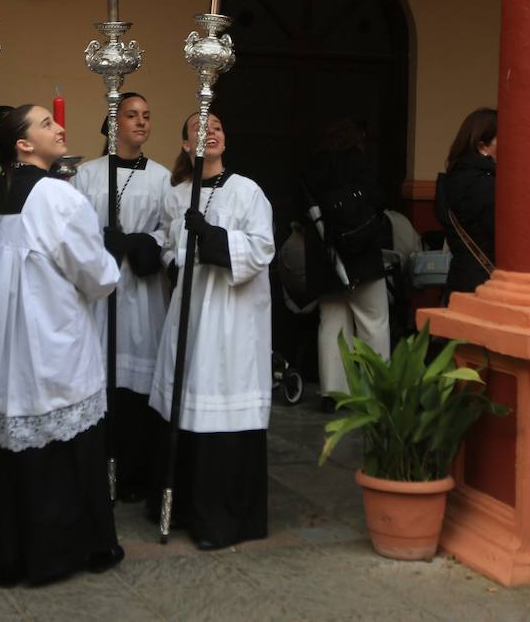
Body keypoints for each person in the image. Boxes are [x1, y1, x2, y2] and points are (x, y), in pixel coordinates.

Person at [0, 105, 122, 586]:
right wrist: (110, 265)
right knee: (63, 451)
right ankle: (62, 555)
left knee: (18, 449)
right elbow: (97, 274)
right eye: (46, 123)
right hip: (52, 339)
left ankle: (14, 556)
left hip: (4, 344)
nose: (59, 127)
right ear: (23, 145)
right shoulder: (56, 196)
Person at [148, 111, 274, 550]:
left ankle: (226, 517)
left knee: (225, 396)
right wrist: (177, 256)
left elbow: (262, 250)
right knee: (186, 403)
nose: (211, 132)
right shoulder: (177, 195)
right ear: (186, 145)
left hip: (232, 317)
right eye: (200, 129)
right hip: (190, 311)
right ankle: (181, 507)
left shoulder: (247, 191)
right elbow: (167, 247)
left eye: (217, 125)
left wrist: (213, 238)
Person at [70, 92, 172, 502]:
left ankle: (133, 472)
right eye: (131, 115)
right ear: (114, 124)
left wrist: (138, 243)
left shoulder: (162, 178)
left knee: (136, 383)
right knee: (100, 377)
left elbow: (171, 229)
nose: (141, 123)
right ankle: (96, 467)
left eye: (147, 116)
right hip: (100, 291)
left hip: (142, 293)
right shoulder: (88, 175)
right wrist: (100, 242)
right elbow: (73, 228)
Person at [299, 118, 391, 397]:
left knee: (332, 323)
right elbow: (378, 199)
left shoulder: (310, 167)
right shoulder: (358, 163)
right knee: (373, 322)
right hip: (361, 255)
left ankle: (334, 392)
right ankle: (377, 390)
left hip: (327, 259)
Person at [435, 108, 498, 300]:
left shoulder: (451, 181)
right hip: (485, 285)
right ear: (482, 147)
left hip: (459, 279)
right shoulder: (488, 185)